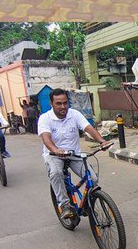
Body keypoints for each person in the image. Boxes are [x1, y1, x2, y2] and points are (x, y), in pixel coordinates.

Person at [38, 87, 110, 221]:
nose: (63, 106)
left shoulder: (74, 114)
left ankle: (89, 204)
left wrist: (101, 141)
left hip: (74, 155)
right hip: (54, 155)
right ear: (51, 104)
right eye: (58, 103)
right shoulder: (45, 118)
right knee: (56, 173)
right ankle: (64, 205)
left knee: (92, 179)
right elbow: (46, 138)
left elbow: (88, 128)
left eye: (65, 103)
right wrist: (55, 150)